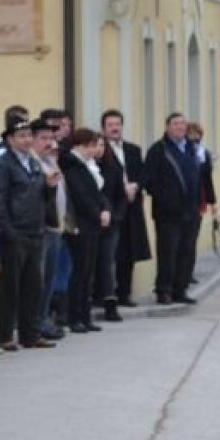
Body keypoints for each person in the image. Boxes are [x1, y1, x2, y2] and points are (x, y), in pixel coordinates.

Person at [0, 118, 56, 348]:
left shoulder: (34, 162)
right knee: (11, 285)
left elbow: (42, 197)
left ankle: (30, 333)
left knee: (33, 285)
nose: (27, 140)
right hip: (15, 231)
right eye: (21, 136)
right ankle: (6, 335)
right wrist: (7, 230)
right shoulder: (4, 163)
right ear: (10, 139)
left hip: (35, 230)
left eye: (29, 135)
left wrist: (50, 187)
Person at [143, 113, 201, 306]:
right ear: (167, 127)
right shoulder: (158, 150)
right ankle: (164, 291)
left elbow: (199, 176)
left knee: (187, 251)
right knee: (168, 253)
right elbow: (149, 181)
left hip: (191, 210)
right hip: (168, 213)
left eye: (183, 124)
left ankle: (180, 289)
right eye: (175, 124)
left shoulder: (192, 148)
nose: (180, 127)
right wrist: (167, 200)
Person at [101, 110, 151, 307]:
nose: (115, 128)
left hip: (132, 206)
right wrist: (122, 189)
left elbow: (143, 174)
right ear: (104, 129)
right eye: (110, 125)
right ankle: (104, 294)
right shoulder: (100, 150)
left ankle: (124, 293)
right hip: (111, 206)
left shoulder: (133, 150)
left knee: (129, 251)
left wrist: (136, 186)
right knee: (108, 252)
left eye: (118, 124)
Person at [60, 129, 108, 332]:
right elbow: (81, 196)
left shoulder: (86, 165)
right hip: (80, 224)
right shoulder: (72, 165)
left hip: (92, 224)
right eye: (91, 146)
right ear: (80, 146)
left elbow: (97, 192)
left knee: (88, 272)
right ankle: (75, 317)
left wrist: (105, 209)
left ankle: (85, 316)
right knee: (80, 272)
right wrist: (98, 213)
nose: (94, 150)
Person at [33, 120, 69, 340]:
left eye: (51, 138)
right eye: (43, 138)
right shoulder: (34, 163)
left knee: (49, 277)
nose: (49, 143)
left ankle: (43, 317)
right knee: (39, 278)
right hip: (42, 227)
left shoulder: (51, 162)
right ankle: (36, 321)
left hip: (56, 226)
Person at [92, 128, 129, 321]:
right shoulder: (84, 167)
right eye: (94, 145)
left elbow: (121, 196)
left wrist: (117, 216)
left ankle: (110, 302)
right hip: (90, 221)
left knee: (107, 262)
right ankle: (90, 299)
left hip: (111, 223)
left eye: (101, 145)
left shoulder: (114, 167)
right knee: (89, 263)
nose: (98, 149)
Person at [183, 123, 218, 288]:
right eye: (191, 134)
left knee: (192, 239)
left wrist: (213, 202)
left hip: (200, 199)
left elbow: (208, 180)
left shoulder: (204, 154)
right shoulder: (184, 153)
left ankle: (189, 272)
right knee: (184, 241)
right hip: (185, 200)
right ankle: (181, 273)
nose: (194, 137)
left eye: (197, 134)